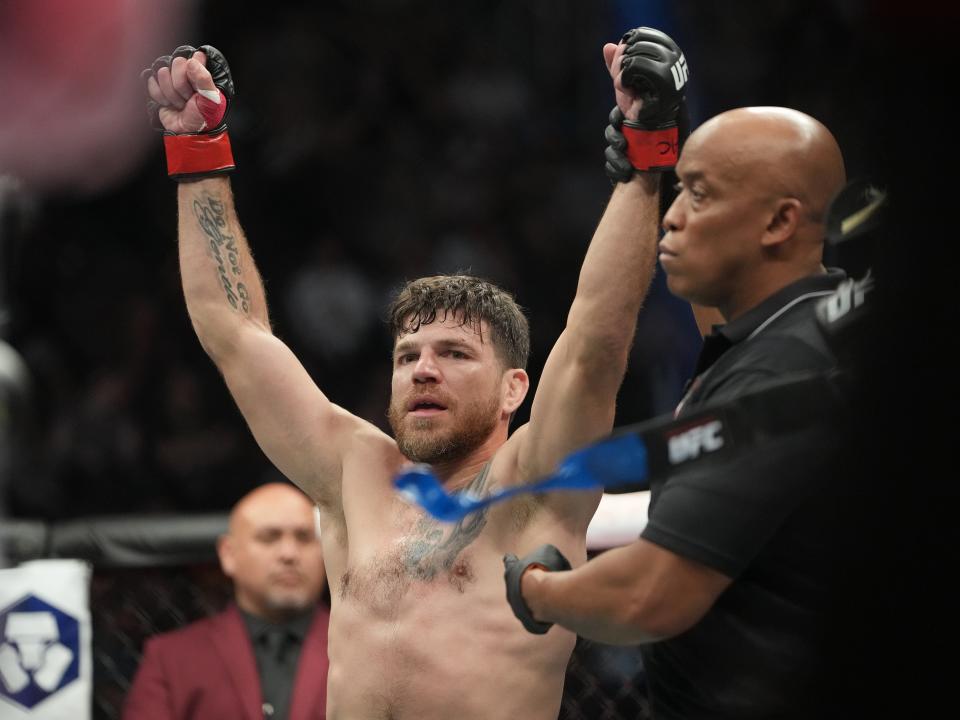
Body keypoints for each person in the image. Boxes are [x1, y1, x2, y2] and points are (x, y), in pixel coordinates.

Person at [142, 26, 685, 719]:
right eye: (407, 357)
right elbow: (236, 334)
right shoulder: (352, 474)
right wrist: (196, 152)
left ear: (515, 389)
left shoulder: (537, 486)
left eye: (454, 354)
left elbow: (596, 345)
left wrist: (645, 160)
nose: (423, 371)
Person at [505, 106, 859, 718]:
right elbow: (617, 324)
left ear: (779, 222)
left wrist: (537, 590)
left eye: (698, 195)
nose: (672, 216)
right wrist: (651, 159)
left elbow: (648, 597)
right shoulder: (817, 322)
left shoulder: (782, 371)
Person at [123, 482, 330, 720]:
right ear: (229, 554)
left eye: (304, 538)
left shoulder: (369, 651)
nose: (289, 554)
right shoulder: (171, 658)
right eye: (269, 538)